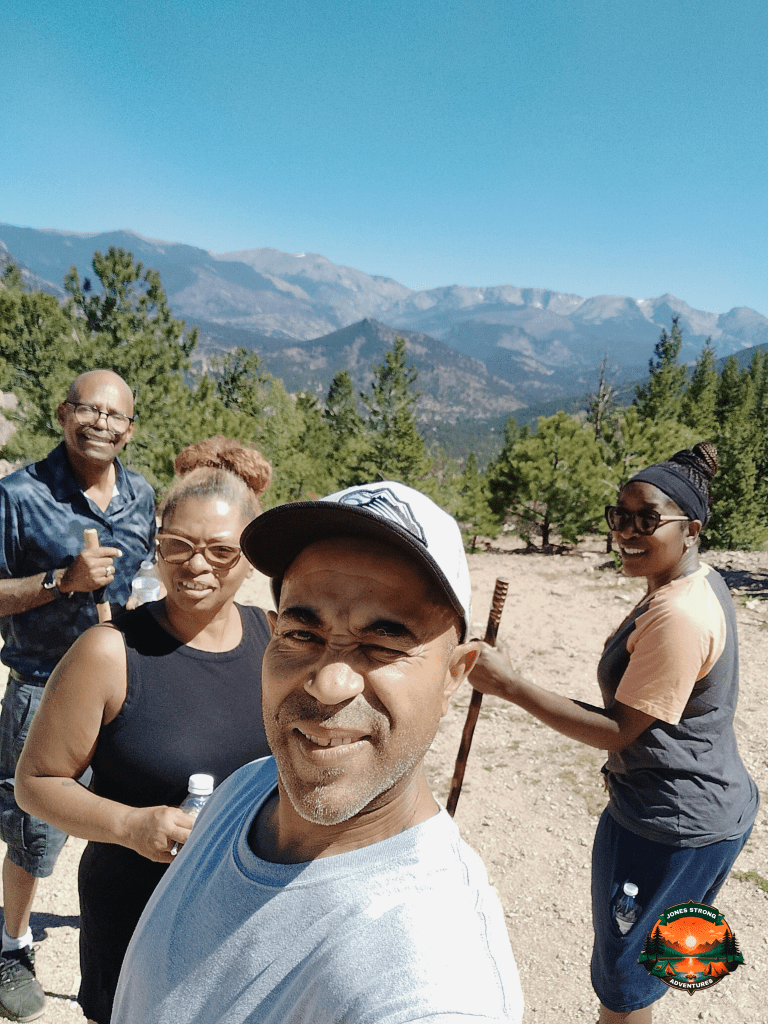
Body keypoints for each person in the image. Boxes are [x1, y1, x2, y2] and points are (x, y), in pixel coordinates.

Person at [110, 481, 524, 1023]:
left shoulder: (433, 982)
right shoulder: (250, 787)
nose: (328, 683)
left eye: (383, 644)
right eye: (303, 633)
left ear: (454, 676)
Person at [468, 443, 759, 1024]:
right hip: (706, 813)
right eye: (619, 515)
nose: (626, 530)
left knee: (624, 984)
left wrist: (511, 686)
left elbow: (617, 731)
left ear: (691, 529)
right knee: (657, 958)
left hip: (670, 824)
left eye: (646, 519)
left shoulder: (678, 615)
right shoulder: (692, 584)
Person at [15, 436, 275, 1023]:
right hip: (136, 912)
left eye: (220, 551)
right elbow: (36, 781)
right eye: (177, 546)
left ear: (249, 558)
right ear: (156, 549)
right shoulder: (110, 651)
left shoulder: (276, 641)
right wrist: (130, 825)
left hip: (245, 914)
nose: (197, 565)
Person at [0, 369, 156, 1021]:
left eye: (115, 415)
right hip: (43, 684)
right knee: (36, 830)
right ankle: (11, 946)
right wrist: (62, 579)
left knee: (126, 822)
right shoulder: (18, 495)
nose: (101, 423)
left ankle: (131, 947)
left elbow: (150, 569)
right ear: (64, 414)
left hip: (126, 681)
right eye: (88, 410)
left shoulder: (142, 495)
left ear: (129, 428)